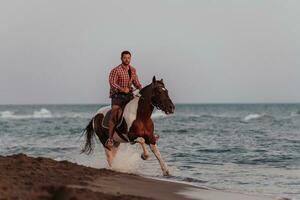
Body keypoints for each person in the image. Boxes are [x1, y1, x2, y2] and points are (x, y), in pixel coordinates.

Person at [106, 50, 142, 149]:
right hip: (117, 95)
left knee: (138, 110)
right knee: (115, 115)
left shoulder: (133, 70)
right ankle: (110, 139)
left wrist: (140, 88)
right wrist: (122, 89)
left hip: (128, 95)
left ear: (130, 59)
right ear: (121, 58)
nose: (127, 59)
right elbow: (112, 83)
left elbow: (136, 82)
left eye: (128, 58)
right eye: (125, 58)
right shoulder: (116, 70)